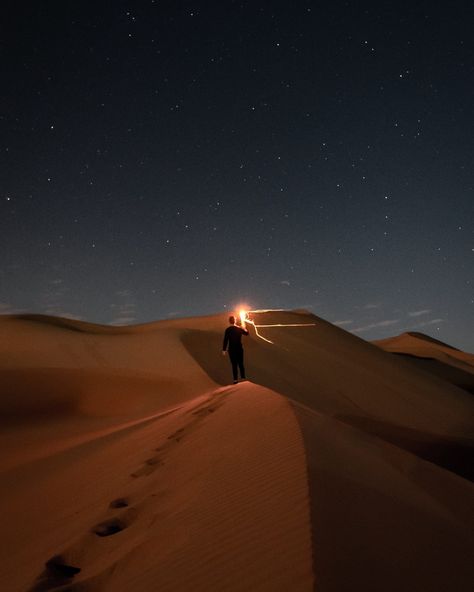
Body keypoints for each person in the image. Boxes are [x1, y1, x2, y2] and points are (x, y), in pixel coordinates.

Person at [222, 315, 249, 384]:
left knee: (234, 365)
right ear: (235, 321)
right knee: (241, 364)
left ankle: (235, 380)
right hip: (239, 349)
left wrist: (224, 350)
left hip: (231, 350)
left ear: (229, 321)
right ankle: (243, 378)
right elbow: (247, 333)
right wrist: (244, 328)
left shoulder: (228, 330)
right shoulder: (239, 329)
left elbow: (225, 340)